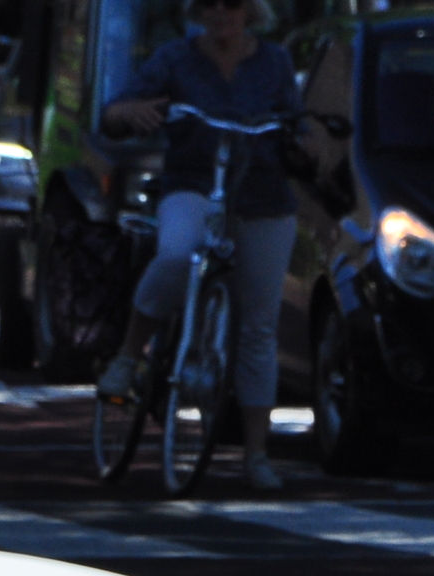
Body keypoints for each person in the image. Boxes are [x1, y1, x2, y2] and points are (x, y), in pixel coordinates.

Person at [99, 0, 298, 491]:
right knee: (175, 252)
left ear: (251, 11)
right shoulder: (175, 58)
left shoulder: (274, 61)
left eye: (232, 4)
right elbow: (114, 114)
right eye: (210, 4)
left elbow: (296, 122)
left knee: (258, 327)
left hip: (263, 196)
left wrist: (309, 137)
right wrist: (130, 112)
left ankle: (256, 455)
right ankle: (128, 355)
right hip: (194, 184)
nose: (221, 13)